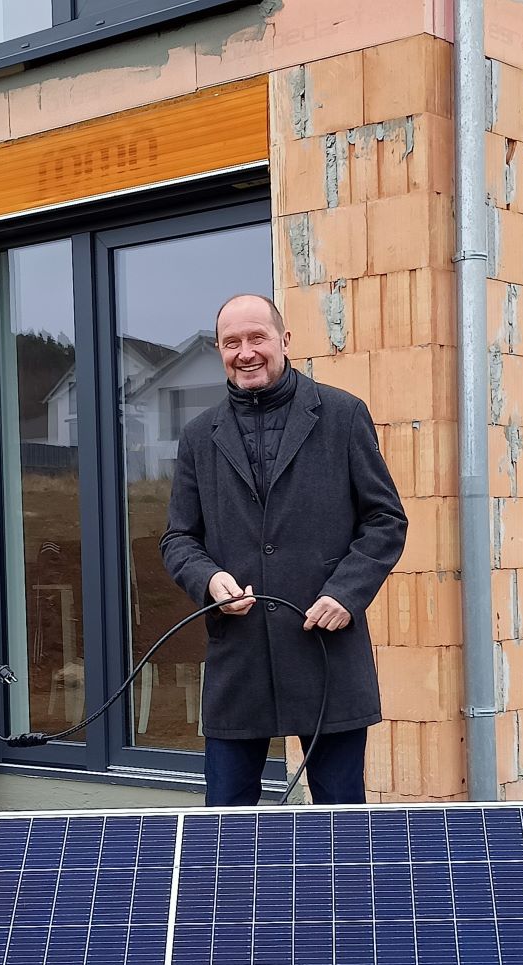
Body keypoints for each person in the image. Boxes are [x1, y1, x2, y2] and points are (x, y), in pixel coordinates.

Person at [161, 294, 407, 806]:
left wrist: (346, 593)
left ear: (285, 340)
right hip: (239, 658)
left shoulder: (342, 415)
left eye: (258, 338)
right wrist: (209, 580)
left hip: (326, 652)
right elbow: (178, 538)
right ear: (219, 350)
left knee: (340, 822)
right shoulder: (198, 436)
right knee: (225, 823)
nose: (245, 352)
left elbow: (385, 520)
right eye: (232, 342)